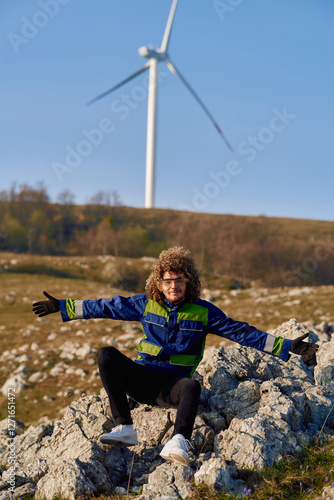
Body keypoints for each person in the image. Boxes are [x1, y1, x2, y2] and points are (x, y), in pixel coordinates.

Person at [32, 246, 318, 465]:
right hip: (142, 379)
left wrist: (289, 346)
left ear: (189, 282)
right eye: (168, 280)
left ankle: (178, 441)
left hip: (172, 387)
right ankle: (124, 427)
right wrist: (63, 307)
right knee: (106, 354)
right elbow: (107, 306)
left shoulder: (204, 312)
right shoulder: (144, 303)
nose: (173, 286)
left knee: (193, 386)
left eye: (179, 280)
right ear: (158, 282)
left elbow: (242, 332)